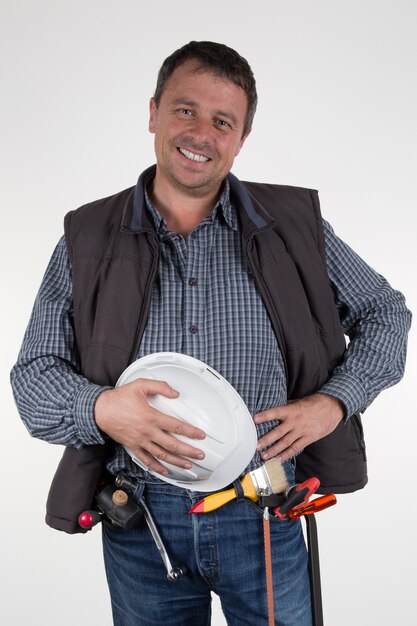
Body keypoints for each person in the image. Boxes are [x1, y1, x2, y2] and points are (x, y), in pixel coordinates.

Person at [11, 41, 411, 626]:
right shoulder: (86, 237)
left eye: (223, 121)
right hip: (140, 518)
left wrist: (332, 404)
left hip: (265, 510)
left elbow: (386, 313)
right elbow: (33, 378)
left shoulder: (293, 228)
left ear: (241, 137)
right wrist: (102, 409)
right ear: (152, 113)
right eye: (185, 110)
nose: (201, 133)